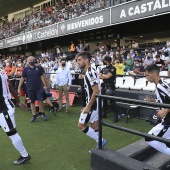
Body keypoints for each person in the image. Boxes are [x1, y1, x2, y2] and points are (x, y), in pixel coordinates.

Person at [0, 66, 31, 165]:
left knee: (12, 133)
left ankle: (25, 155)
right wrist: (18, 101)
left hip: (4, 108)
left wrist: (18, 101)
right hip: (4, 106)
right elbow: (10, 87)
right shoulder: (2, 72)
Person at [77, 51, 107, 148]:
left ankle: (101, 141)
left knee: (81, 125)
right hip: (95, 103)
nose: (78, 62)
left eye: (79, 60)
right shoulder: (89, 72)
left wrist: (88, 107)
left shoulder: (90, 72)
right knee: (94, 125)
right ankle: (100, 146)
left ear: (86, 60)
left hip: (94, 105)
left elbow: (96, 91)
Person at [144, 64, 170, 155]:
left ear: (154, 74)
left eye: (147, 75)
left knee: (149, 138)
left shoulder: (161, 86)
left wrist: (166, 110)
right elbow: (164, 100)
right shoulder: (160, 85)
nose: (146, 77)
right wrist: (152, 100)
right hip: (166, 120)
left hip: (168, 121)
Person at [18, 56, 47, 122]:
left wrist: (45, 84)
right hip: (30, 88)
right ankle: (34, 115)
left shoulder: (38, 68)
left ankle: (42, 113)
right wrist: (19, 87)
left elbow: (41, 76)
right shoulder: (25, 69)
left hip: (39, 87)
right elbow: (22, 78)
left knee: (41, 101)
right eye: (30, 60)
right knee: (32, 102)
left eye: (33, 60)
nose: (32, 61)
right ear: (28, 61)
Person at [99, 56, 118, 122]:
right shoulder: (103, 68)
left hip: (110, 86)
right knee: (104, 100)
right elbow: (99, 76)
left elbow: (108, 76)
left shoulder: (113, 68)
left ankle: (116, 116)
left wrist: (103, 76)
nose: (103, 61)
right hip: (104, 86)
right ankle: (104, 113)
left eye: (104, 60)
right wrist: (104, 76)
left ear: (106, 61)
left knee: (112, 101)